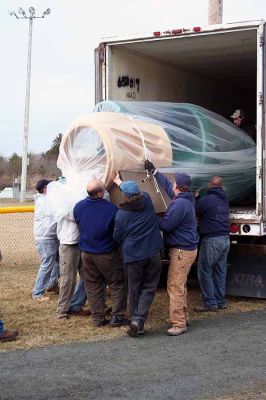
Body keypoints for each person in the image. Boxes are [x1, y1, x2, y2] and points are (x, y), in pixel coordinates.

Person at [145, 160, 198, 336]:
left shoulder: (179, 204)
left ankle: (179, 323)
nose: (172, 184)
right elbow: (168, 187)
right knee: (180, 285)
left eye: (174, 182)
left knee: (174, 285)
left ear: (178, 187)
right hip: (187, 249)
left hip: (182, 251)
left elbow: (166, 225)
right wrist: (155, 172)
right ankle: (184, 317)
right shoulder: (185, 198)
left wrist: (152, 216)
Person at [113, 174, 163, 337]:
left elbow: (117, 238)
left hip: (133, 256)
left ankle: (137, 321)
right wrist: (120, 182)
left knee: (134, 290)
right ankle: (138, 320)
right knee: (149, 288)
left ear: (125, 196)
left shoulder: (121, 215)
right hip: (153, 252)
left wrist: (117, 183)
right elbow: (134, 192)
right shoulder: (147, 200)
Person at [73, 179, 128, 327]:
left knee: (92, 286)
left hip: (86, 253)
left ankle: (98, 318)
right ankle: (117, 316)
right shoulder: (111, 209)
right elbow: (116, 232)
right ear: (100, 193)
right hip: (106, 253)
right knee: (117, 284)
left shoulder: (78, 207)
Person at [194, 176, 230, 312]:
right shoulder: (225, 199)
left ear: (210, 185)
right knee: (220, 271)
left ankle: (210, 303)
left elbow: (195, 211)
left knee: (205, 271)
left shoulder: (205, 201)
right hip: (225, 239)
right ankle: (221, 301)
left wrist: (196, 197)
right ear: (222, 186)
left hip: (212, 240)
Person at [32, 179, 59, 302]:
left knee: (57, 261)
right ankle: (37, 293)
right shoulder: (45, 201)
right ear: (45, 189)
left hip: (48, 236)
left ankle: (52, 284)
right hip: (46, 237)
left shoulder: (41, 199)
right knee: (47, 264)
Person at [56, 211, 84, 319]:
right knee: (68, 279)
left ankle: (75, 305)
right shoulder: (61, 199)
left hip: (83, 241)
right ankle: (62, 311)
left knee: (88, 276)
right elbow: (70, 214)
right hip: (68, 243)